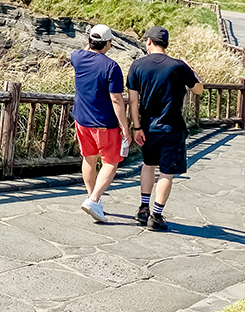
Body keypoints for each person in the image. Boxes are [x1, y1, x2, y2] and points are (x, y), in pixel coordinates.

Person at [127, 25, 204, 231]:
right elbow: (199, 89)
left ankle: (143, 208)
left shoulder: (137, 66)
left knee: (148, 164)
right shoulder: (178, 66)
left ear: (149, 42)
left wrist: (136, 127)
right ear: (166, 43)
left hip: (147, 127)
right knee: (166, 173)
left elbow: (133, 101)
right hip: (172, 127)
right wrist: (191, 69)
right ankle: (157, 215)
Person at [70, 24, 130, 223]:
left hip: (81, 119)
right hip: (104, 122)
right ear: (109, 43)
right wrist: (124, 126)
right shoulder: (111, 67)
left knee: (89, 158)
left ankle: (91, 197)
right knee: (110, 162)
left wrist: (91, 43)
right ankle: (94, 200)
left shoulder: (77, 57)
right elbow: (116, 99)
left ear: (89, 41)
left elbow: (85, 51)